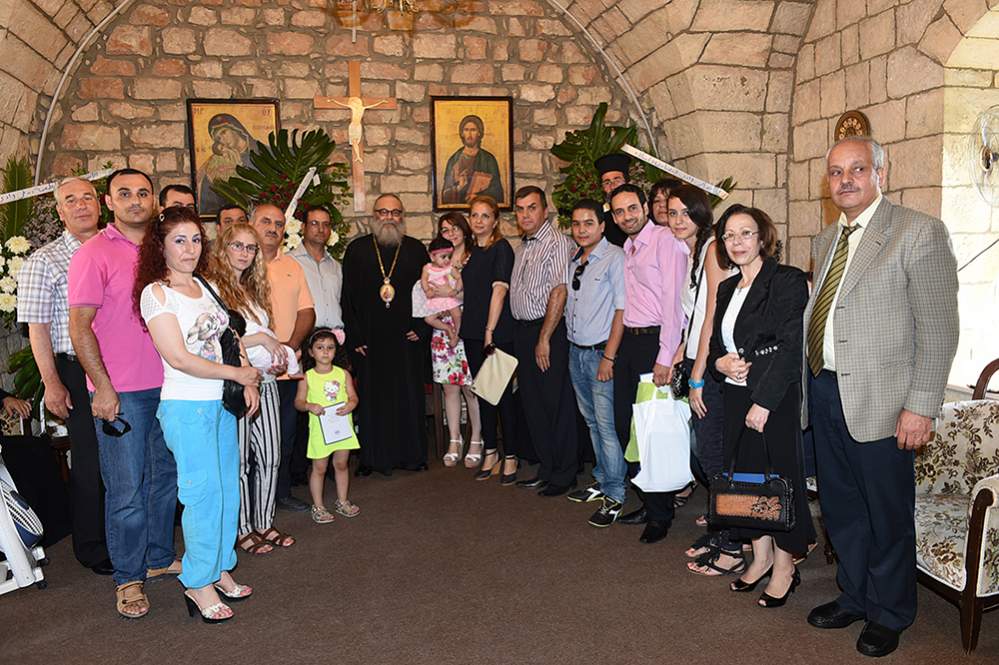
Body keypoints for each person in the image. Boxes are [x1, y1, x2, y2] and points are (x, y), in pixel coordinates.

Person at [803, 137, 959, 658]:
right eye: (836, 171)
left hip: (887, 403)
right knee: (842, 507)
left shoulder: (918, 232)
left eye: (857, 169)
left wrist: (921, 405)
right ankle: (855, 595)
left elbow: (939, 329)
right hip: (826, 390)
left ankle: (890, 612)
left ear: (880, 174)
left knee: (886, 513)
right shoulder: (826, 239)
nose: (845, 179)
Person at [136, 205, 260, 623]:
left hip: (220, 403)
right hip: (186, 407)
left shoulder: (205, 285)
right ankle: (197, 581)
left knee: (226, 491)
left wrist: (246, 379)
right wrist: (238, 374)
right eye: (179, 240)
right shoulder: (157, 294)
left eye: (195, 240)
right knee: (201, 495)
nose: (189, 249)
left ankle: (218, 567)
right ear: (161, 246)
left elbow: (230, 334)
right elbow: (179, 357)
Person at [68, 168, 179, 619]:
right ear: (109, 202)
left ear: (154, 201)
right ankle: (128, 578)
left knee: (164, 480)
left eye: (143, 193)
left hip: (171, 386)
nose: (136, 200)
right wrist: (102, 386)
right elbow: (80, 327)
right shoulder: (93, 253)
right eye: (125, 193)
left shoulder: (164, 250)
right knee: (126, 489)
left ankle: (157, 558)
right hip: (122, 392)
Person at [707, 204, 815, 608]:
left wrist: (764, 402)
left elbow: (790, 348)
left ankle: (785, 566)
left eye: (745, 233)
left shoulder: (786, 280)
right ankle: (761, 557)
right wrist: (719, 364)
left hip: (774, 397)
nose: (737, 242)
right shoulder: (726, 288)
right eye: (729, 235)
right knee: (749, 477)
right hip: (735, 395)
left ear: (763, 237)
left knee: (779, 478)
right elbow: (717, 346)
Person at [16, 177, 110, 575]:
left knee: (127, 455)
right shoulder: (44, 261)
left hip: (123, 365)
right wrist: (52, 382)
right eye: (71, 200)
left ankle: (126, 532)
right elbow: (36, 328)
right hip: (74, 368)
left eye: (87, 197)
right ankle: (92, 546)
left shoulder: (118, 248)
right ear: (60, 211)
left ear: (100, 204)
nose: (81, 205)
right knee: (90, 459)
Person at [661, 184, 741, 575]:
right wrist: (681, 349)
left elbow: (713, 313)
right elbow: (693, 316)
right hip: (698, 357)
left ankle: (732, 543)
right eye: (672, 213)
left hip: (712, 365)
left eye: (685, 213)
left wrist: (696, 373)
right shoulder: (694, 250)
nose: (678, 220)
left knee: (714, 455)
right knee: (709, 454)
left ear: (702, 215)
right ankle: (723, 529)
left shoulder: (711, 249)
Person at [205, 222, 295, 555]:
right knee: (240, 461)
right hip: (237, 384)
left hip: (265, 381)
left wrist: (276, 358)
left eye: (250, 247)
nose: (244, 253)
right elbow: (217, 339)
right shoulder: (213, 289)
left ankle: (264, 522)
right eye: (237, 246)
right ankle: (242, 528)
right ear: (223, 248)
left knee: (271, 455)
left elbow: (263, 337)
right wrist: (261, 340)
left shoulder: (253, 289)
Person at [609, 183, 687, 544]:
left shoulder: (665, 241)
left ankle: (660, 514)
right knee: (627, 427)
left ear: (645, 206)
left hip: (655, 343)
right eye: (619, 211)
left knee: (652, 432)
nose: (626, 216)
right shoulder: (629, 246)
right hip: (630, 342)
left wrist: (665, 357)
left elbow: (673, 303)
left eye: (631, 208)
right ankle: (647, 497)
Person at [341, 194, 430, 474]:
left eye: (395, 212)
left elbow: (430, 294)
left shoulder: (416, 250)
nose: (389, 217)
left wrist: (422, 327)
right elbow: (347, 298)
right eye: (383, 212)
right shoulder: (357, 250)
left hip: (407, 339)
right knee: (372, 401)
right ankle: (373, 458)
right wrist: (355, 337)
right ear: (374, 215)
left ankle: (412, 456)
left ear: (402, 216)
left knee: (408, 397)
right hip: (371, 340)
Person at [509, 186, 578, 496]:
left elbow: (559, 291)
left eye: (532, 207)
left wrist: (544, 338)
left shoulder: (557, 243)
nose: (525, 214)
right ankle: (547, 468)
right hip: (523, 332)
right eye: (520, 209)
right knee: (534, 405)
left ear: (545, 210)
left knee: (556, 404)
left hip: (548, 332)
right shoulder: (522, 247)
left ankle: (565, 474)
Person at [562, 199, 627, 527]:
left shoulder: (615, 257)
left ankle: (615, 493)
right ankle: (602, 481)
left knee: (606, 425)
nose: (581, 229)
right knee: (591, 422)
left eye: (588, 223)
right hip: (576, 351)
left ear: (602, 226)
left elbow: (621, 310)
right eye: (576, 223)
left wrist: (609, 357)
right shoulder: (575, 259)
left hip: (601, 353)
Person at [250, 203, 315, 513]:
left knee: (285, 435)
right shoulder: (238, 264)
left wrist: (290, 346)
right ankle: (251, 499)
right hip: (249, 371)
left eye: (278, 224)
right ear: (251, 223)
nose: (273, 228)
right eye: (266, 221)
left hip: (285, 369)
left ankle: (282, 491)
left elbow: (307, 311)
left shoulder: (292, 266)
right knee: (250, 440)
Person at [460, 195, 519, 483]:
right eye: (475, 215)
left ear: (495, 220)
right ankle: (491, 451)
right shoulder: (471, 252)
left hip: (495, 333)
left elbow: (499, 291)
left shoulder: (501, 248)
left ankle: (511, 455)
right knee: (483, 394)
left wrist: (489, 331)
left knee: (503, 397)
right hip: (472, 332)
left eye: (485, 215)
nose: (479, 220)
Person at [427, 212, 482, 471]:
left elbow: (481, 294)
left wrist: (455, 295)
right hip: (442, 332)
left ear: (465, 229)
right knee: (449, 388)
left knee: (471, 389)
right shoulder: (436, 262)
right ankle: (454, 440)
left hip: (469, 329)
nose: (451, 234)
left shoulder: (475, 258)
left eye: (455, 228)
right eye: (445, 230)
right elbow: (425, 292)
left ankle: (477, 439)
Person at [294, 327, 361, 523]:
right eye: (320, 347)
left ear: (336, 351)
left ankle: (342, 501)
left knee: (341, 464)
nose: (325, 351)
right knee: (320, 468)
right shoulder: (306, 377)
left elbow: (353, 397)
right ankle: (318, 506)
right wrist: (309, 406)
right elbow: (298, 402)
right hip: (320, 431)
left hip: (342, 428)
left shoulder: (343, 374)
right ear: (311, 351)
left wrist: (351, 405)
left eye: (330, 347)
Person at [289, 205, 345, 332]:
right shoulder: (289, 262)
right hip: (303, 336)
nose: (321, 229)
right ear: (303, 227)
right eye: (314, 223)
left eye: (326, 224)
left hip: (334, 337)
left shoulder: (336, 266)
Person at [413, 236, 464, 348]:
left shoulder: (450, 268)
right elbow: (424, 280)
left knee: (457, 315)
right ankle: (447, 328)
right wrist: (427, 290)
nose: (447, 260)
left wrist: (456, 290)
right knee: (429, 319)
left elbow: (460, 278)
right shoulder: (427, 268)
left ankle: (457, 334)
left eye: (449, 257)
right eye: (443, 257)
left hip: (449, 297)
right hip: (436, 298)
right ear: (432, 256)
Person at [199, 113, 255, 214]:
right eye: (219, 138)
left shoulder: (262, 152)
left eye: (224, 132)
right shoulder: (219, 162)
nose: (223, 140)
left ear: (236, 128)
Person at [441, 114, 504, 204]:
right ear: (462, 133)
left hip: (482, 207)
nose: (469, 134)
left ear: (479, 133)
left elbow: (497, 192)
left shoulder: (489, 159)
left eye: (473, 130)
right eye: (466, 130)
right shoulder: (454, 160)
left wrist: (479, 197)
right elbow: (445, 195)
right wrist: (459, 188)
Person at [593, 153, 631, 247]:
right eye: (607, 183)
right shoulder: (601, 219)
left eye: (617, 180)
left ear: (627, 182)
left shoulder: (643, 211)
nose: (613, 186)